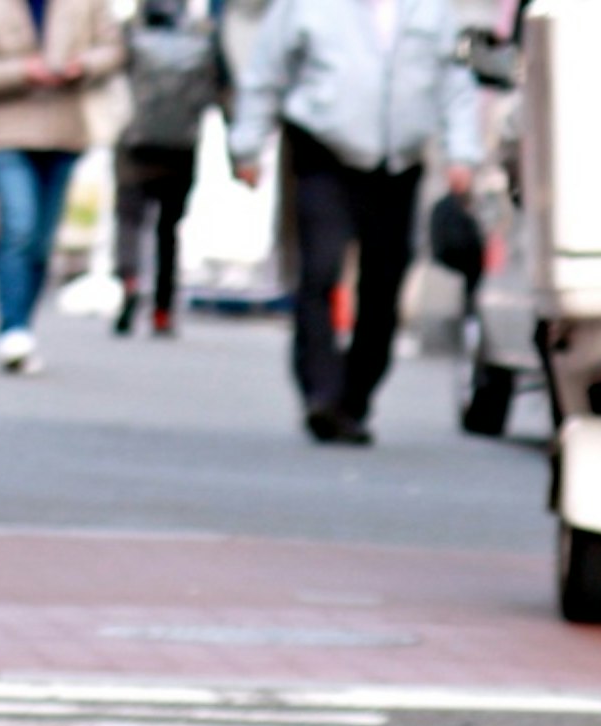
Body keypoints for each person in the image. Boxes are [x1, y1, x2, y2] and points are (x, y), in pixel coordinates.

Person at [229, 0, 482, 445]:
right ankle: (321, 395)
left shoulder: (431, 11)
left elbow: (454, 82)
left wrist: (462, 153)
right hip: (324, 150)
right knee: (321, 271)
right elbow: (267, 70)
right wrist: (248, 144)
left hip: (397, 160)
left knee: (384, 282)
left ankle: (356, 396)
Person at [0, 0, 124, 374]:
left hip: (65, 130)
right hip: (7, 130)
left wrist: (83, 66)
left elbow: (113, 49)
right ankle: (12, 328)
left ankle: (23, 323)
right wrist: (24, 71)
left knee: (42, 240)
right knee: (19, 226)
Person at [114, 0, 221, 336]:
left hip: (134, 140)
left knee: (129, 219)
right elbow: (219, 87)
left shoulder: (131, 32)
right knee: (169, 229)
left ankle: (130, 281)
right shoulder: (202, 37)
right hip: (181, 144)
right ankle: (163, 308)